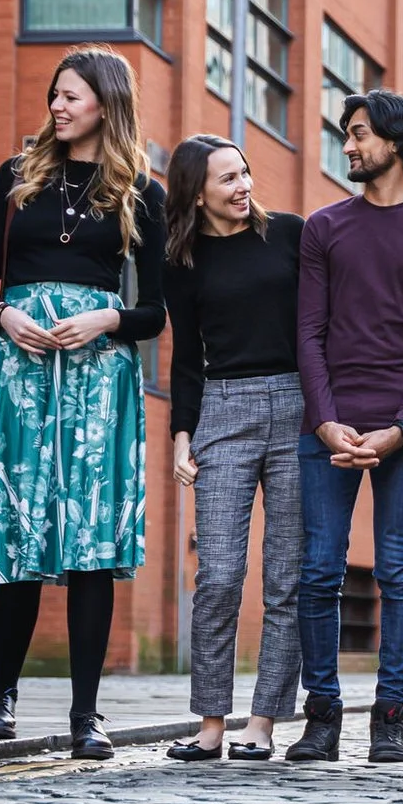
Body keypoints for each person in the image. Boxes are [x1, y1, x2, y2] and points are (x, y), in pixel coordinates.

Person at [0, 48, 168, 762]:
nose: (57, 105)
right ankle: (1, 698)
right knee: (17, 534)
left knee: (90, 544)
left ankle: (87, 713)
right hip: (21, 374)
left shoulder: (142, 192)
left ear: (106, 105)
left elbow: (156, 313)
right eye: (54, 94)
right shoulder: (15, 178)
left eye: (71, 96)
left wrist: (108, 319)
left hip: (98, 382)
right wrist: (2, 316)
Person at [287, 90, 403, 765]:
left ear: (395, 142)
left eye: (359, 133)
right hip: (327, 426)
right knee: (318, 569)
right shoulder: (323, 227)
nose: (350, 145)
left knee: (398, 568)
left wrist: (400, 425)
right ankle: (323, 715)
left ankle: (389, 716)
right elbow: (308, 331)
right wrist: (329, 421)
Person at [162, 135, 305, 764]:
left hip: (299, 407)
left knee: (286, 579)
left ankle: (264, 723)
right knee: (217, 575)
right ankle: (211, 724)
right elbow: (187, 357)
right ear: (198, 192)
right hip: (223, 408)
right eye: (227, 178)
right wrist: (181, 434)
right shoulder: (182, 261)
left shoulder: (292, 236)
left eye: (245, 173)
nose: (243, 185)